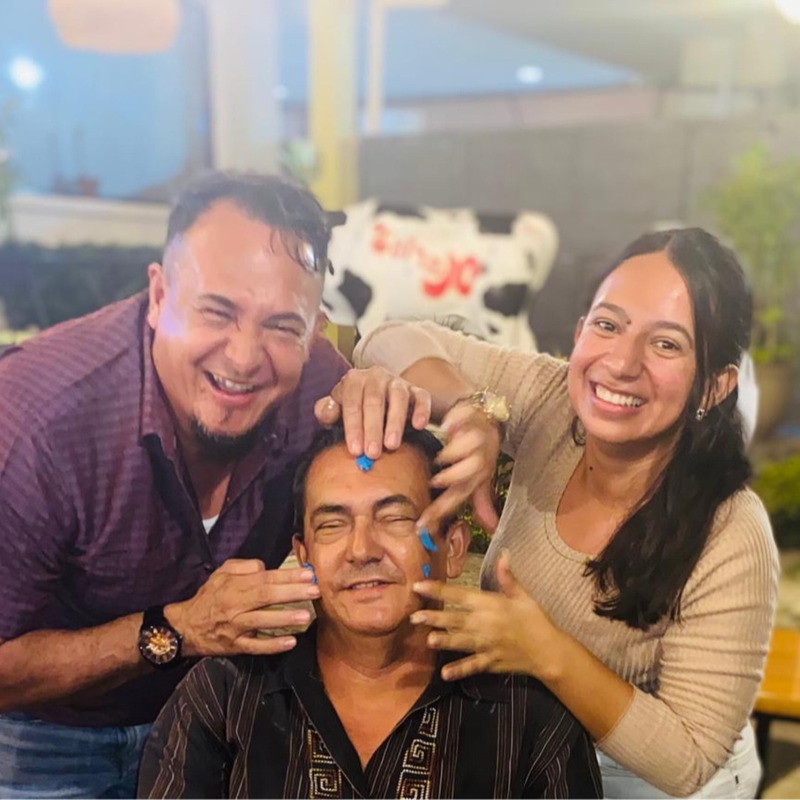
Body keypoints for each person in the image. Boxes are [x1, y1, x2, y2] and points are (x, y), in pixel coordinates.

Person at [319, 228, 780, 798]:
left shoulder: (731, 532)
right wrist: (473, 408)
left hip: (646, 782)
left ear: (714, 386)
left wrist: (545, 652)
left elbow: (688, 760)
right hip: (535, 752)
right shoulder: (552, 402)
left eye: (666, 344)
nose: (622, 363)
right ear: (580, 331)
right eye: (608, 325)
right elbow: (386, 339)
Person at [0, 172, 350, 798]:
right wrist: (182, 629)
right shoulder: (35, 425)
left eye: (281, 326)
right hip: (44, 736)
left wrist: (459, 411)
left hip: (217, 716)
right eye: (217, 312)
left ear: (314, 329)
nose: (244, 358)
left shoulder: (323, 388)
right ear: (159, 296)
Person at [138, 422, 602, 799]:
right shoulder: (224, 696)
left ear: (454, 547)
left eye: (395, 518)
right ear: (304, 555)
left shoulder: (529, 715)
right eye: (332, 524)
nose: (361, 550)